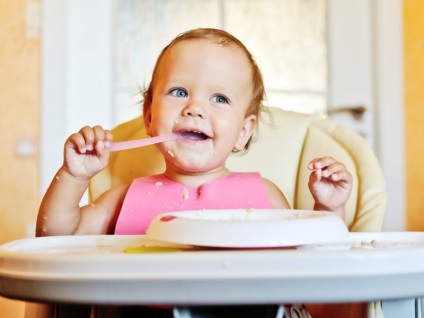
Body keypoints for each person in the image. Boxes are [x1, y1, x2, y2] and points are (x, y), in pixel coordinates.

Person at [36, 28, 357, 317]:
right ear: (149, 115)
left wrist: (329, 210)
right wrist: (75, 176)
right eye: (178, 92)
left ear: (244, 132)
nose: (195, 108)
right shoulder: (123, 198)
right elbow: (54, 242)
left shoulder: (265, 197)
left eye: (219, 98)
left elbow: (314, 273)